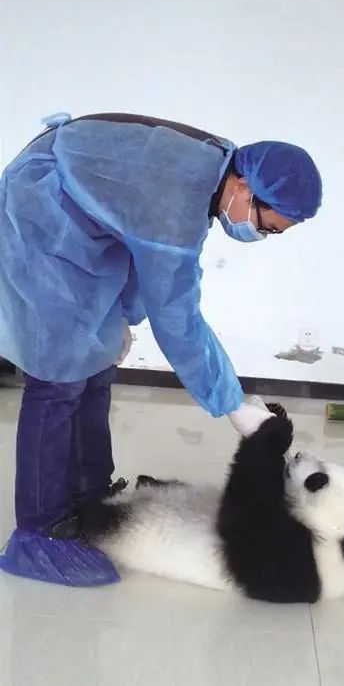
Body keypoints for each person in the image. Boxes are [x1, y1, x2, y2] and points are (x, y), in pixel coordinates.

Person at [0, 112, 322, 587]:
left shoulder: (212, 177)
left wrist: (121, 317)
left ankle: (90, 496)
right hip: (44, 219)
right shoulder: (179, 199)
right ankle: (39, 533)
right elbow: (178, 319)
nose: (262, 237)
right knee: (58, 382)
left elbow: (140, 250)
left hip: (86, 218)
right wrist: (232, 404)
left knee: (96, 367)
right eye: (268, 227)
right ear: (243, 186)